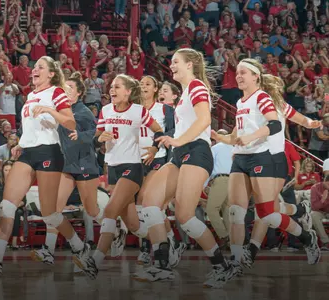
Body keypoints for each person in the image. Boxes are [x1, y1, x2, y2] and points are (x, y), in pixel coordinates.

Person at [0, 56, 97, 279]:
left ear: (51, 74)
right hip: (28, 152)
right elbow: (31, 127)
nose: (34, 69)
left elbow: (69, 122)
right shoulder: (30, 95)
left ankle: (79, 246)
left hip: (49, 152)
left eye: (40, 67)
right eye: (34, 66)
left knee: (50, 214)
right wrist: (20, 143)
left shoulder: (56, 93)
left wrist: (50, 110)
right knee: (7, 206)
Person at [134, 48, 236, 288]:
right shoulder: (187, 92)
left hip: (196, 152)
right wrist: (176, 143)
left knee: (185, 215)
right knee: (149, 202)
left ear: (190, 64)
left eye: (176, 62)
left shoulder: (198, 86)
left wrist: (178, 140)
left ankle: (221, 266)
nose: (172, 66)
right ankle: (161, 263)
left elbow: (204, 120)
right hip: (180, 154)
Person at [211, 58, 319, 276]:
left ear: (256, 77)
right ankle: (237, 260)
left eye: (243, 72)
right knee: (236, 212)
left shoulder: (266, 99)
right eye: (237, 73)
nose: (238, 76)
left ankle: (305, 235)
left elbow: (278, 123)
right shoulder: (241, 103)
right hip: (243, 157)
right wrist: (219, 138)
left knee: (267, 214)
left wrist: (311, 123)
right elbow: (237, 137)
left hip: (269, 158)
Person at [30, 72, 104, 271]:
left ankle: (115, 228)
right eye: (63, 88)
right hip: (67, 165)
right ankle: (49, 249)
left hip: (85, 163)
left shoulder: (84, 112)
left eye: (70, 88)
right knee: (53, 209)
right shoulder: (61, 111)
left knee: (92, 211)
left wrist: (80, 135)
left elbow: (96, 136)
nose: (65, 91)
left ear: (79, 93)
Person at [91, 74, 164, 271]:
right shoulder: (105, 110)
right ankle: (163, 245)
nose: (112, 90)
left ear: (128, 91)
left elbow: (159, 131)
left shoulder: (139, 111)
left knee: (110, 210)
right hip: (112, 168)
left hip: (132, 167)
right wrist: (99, 139)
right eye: (111, 86)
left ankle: (95, 260)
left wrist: (155, 149)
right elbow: (95, 138)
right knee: (133, 225)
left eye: (117, 87)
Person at [134, 75, 177, 266]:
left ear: (155, 89)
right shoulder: (133, 109)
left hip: (157, 159)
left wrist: (155, 146)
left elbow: (171, 132)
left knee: (144, 199)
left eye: (148, 84)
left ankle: (147, 248)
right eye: (141, 83)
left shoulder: (165, 109)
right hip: (135, 160)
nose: (143, 86)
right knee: (151, 208)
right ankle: (168, 239)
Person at [205, 129, 233, 248]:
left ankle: (224, 235)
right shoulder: (233, 148)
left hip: (220, 180)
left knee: (211, 210)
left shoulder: (215, 148)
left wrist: (205, 184)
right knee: (227, 211)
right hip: (233, 180)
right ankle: (232, 241)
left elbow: (209, 166)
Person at [309, 174, 329, 251]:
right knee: (313, 215)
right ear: (324, 181)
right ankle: (325, 242)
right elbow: (314, 207)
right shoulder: (315, 188)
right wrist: (323, 200)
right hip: (319, 212)